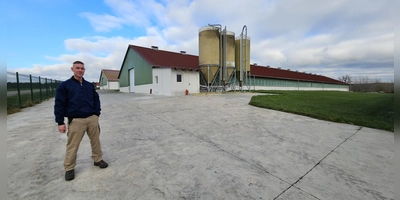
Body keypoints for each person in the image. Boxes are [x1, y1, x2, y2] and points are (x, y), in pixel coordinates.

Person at [54, 60, 108, 181]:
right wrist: (60, 122)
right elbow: (59, 104)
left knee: (96, 141)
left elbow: (96, 99)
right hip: (76, 120)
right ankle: (69, 168)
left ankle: (98, 159)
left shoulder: (89, 85)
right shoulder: (65, 86)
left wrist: (96, 114)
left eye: (82, 68)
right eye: (77, 68)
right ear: (72, 69)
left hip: (92, 119)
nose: (80, 70)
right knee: (73, 145)